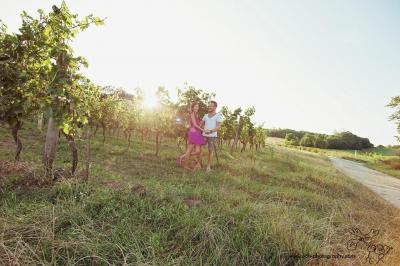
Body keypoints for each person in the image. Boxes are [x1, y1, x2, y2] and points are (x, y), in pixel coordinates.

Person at [177, 102, 205, 169]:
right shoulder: (192, 114)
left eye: (197, 106)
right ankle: (185, 166)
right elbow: (195, 125)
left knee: (198, 151)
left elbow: (198, 124)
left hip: (198, 133)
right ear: (192, 107)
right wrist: (203, 130)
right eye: (195, 106)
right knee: (189, 150)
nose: (197, 108)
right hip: (193, 133)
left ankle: (182, 157)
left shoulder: (196, 115)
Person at [201, 101, 223, 172]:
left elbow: (218, 126)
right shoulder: (205, 115)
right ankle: (198, 164)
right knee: (200, 149)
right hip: (204, 135)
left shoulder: (218, 116)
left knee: (210, 151)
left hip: (212, 136)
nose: (209, 107)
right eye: (209, 106)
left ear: (215, 107)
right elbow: (200, 124)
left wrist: (210, 131)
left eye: (211, 106)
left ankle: (208, 167)